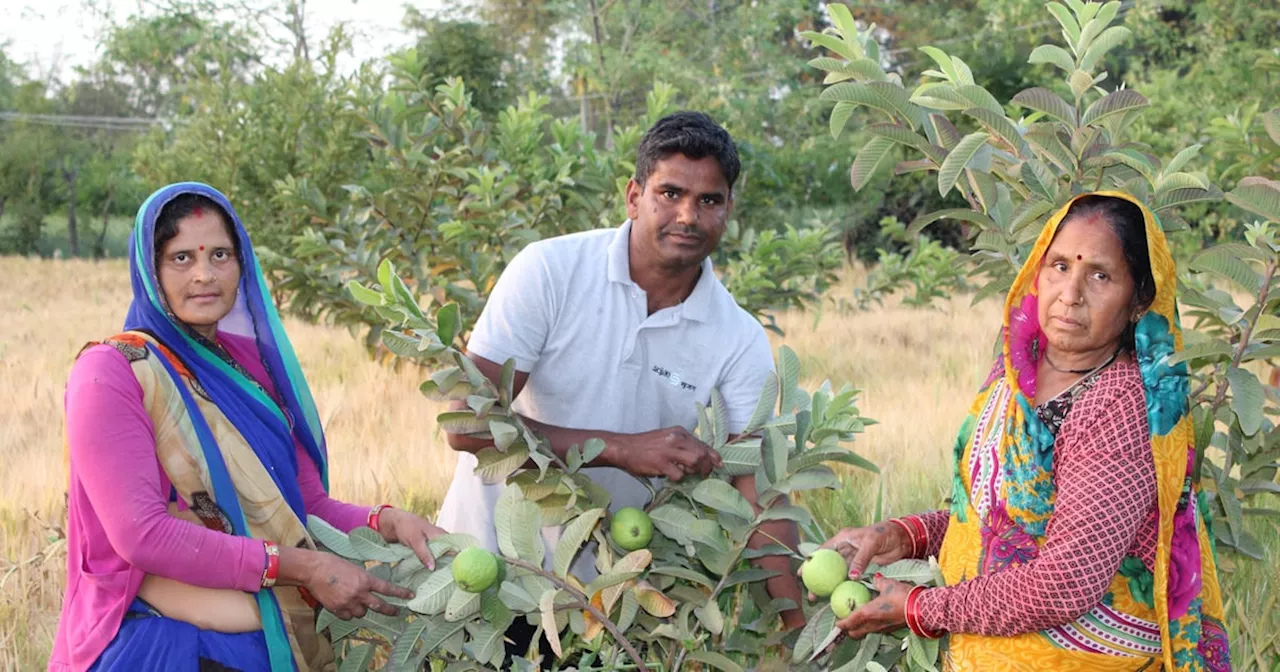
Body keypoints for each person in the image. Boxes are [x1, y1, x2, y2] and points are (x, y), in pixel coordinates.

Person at [436, 111, 807, 653]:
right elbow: (467, 423)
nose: (688, 215)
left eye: (710, 200)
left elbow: (760, 496)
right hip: (488, 575)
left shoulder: (738, 339)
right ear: (634, 196)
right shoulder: (549, 271)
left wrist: (801, 636)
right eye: (670, 193)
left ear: (729, 210)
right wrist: (616, 450)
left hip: (615, 610)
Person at [812, 192, 1231, 670]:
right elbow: (992, 523)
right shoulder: (1016, 375)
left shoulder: (1120, 408)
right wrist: (905, 536)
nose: (1070, 294)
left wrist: (919, 608)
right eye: (1059, 266)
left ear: (1138, 300)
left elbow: (1066, 580)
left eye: (1100, 275)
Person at [50, 183, 447, 672]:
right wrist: (305, 567)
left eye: (220, 254)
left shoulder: (249, 372)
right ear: (149, 271)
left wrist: (384, 522)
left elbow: (306, 507)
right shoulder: (112, 372)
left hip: (268, 638)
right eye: (180, 258)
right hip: (158, 644)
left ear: (243, 265)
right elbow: (142, 536)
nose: (204, 275)